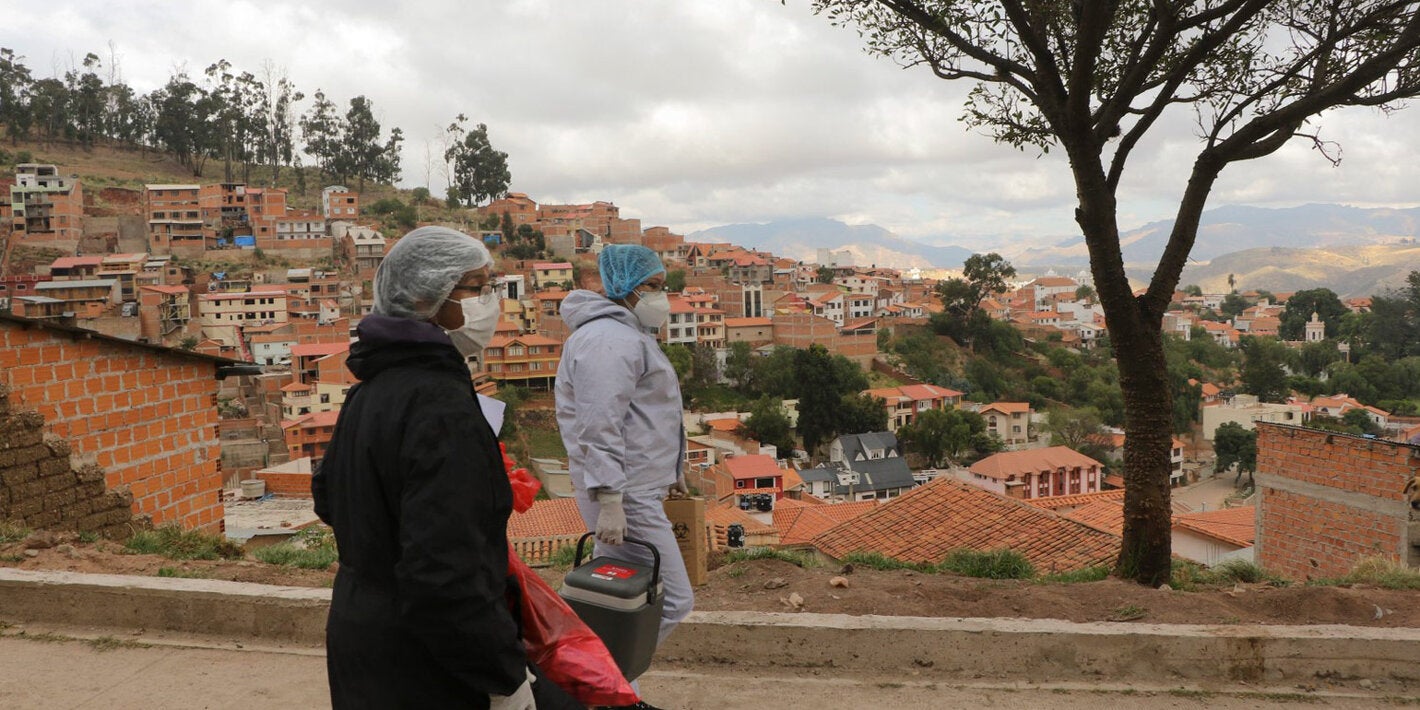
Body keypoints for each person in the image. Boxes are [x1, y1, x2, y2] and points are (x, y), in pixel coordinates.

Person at [313, 226, 574, 710]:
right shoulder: (442, 408)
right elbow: (445, 572)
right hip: (431, 664)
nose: (490, 301)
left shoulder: (367, 392)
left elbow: (330, 498)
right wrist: (502, 677)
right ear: (424, 297)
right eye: (476, 288)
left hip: (362, 639)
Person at [555, 245, 695, 675]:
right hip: (624, 491)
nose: (661, 298)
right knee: (671, 599)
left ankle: (602, 689)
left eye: (661, 287)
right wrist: (612, 498)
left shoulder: (626, 335)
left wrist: (673, 471)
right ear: (623, 287)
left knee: (617, 603)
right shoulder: (607, 341)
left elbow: (646, 414)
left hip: (632, 486)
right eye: (651, 287)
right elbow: (600, 423)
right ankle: (600, 686)